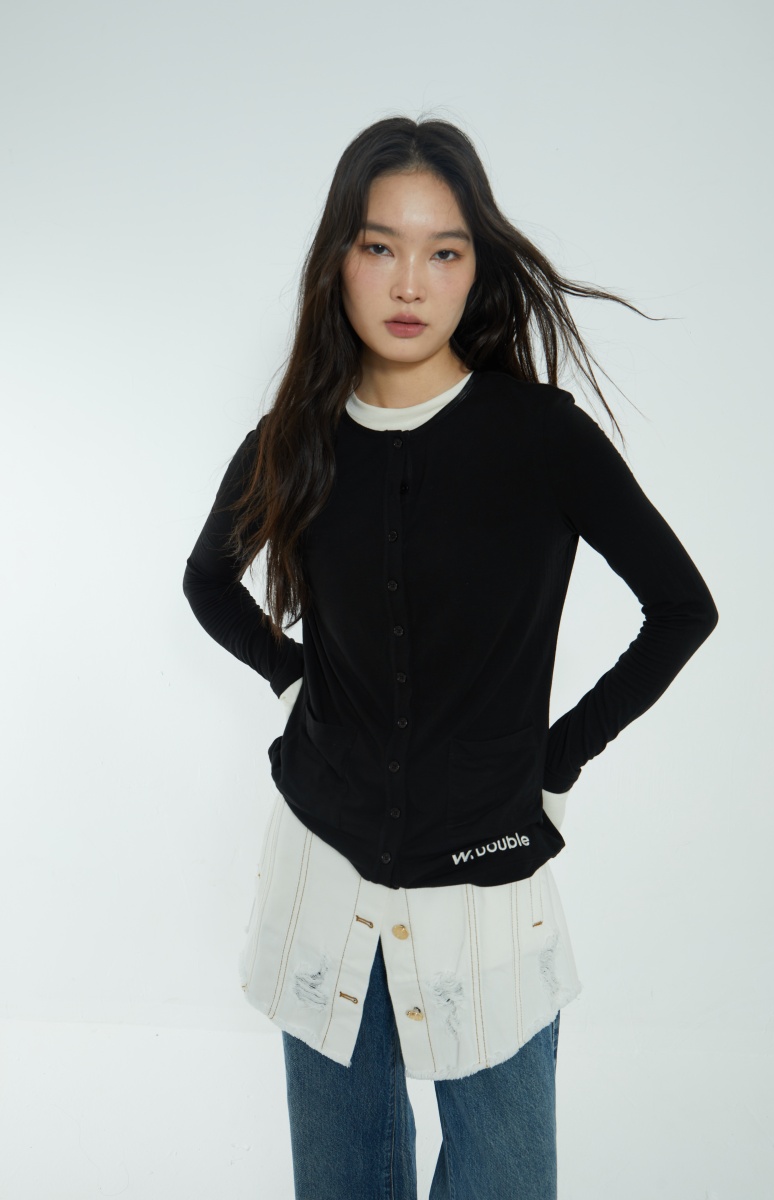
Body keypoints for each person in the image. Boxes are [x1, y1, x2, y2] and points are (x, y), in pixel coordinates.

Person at [182, 115, 718, 1200]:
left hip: (485, 887)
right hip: (322, 877)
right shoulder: (294, 436)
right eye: (379, 245)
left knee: (505, 1178)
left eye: (444, 251)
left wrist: (554, 759)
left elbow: (680, 609)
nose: (408, 282)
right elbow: (208, 581)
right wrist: (293, 675)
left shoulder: (542, 437)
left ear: (476, 270)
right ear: (338, 258)